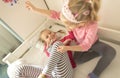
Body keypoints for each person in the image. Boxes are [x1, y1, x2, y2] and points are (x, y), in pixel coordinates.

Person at [25, 0, 116, 78]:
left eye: (69, 25)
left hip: (93, 43)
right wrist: (35, 9)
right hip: (79, 46)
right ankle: (96, 53)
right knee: (76, 61)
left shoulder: (92, 25)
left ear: (78, 23)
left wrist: (67, 48)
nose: (67, 27)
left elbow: (86, 45)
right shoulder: (71, 16)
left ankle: (95, 74)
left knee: (111, 52)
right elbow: (54, 14)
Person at [7, 29, 73, 78]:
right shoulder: (49, 49)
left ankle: (43, 75)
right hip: (53, 74)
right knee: (21, 69)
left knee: (57, 44)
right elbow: (51, 57)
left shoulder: (61, 41)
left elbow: (72, 36)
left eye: (50, 32)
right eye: (47, 37)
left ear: (54, 32)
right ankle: (44, 75)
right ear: (45, 42)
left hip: (62, 75)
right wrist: (49, 47)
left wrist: (64, 43)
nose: (50, 35)